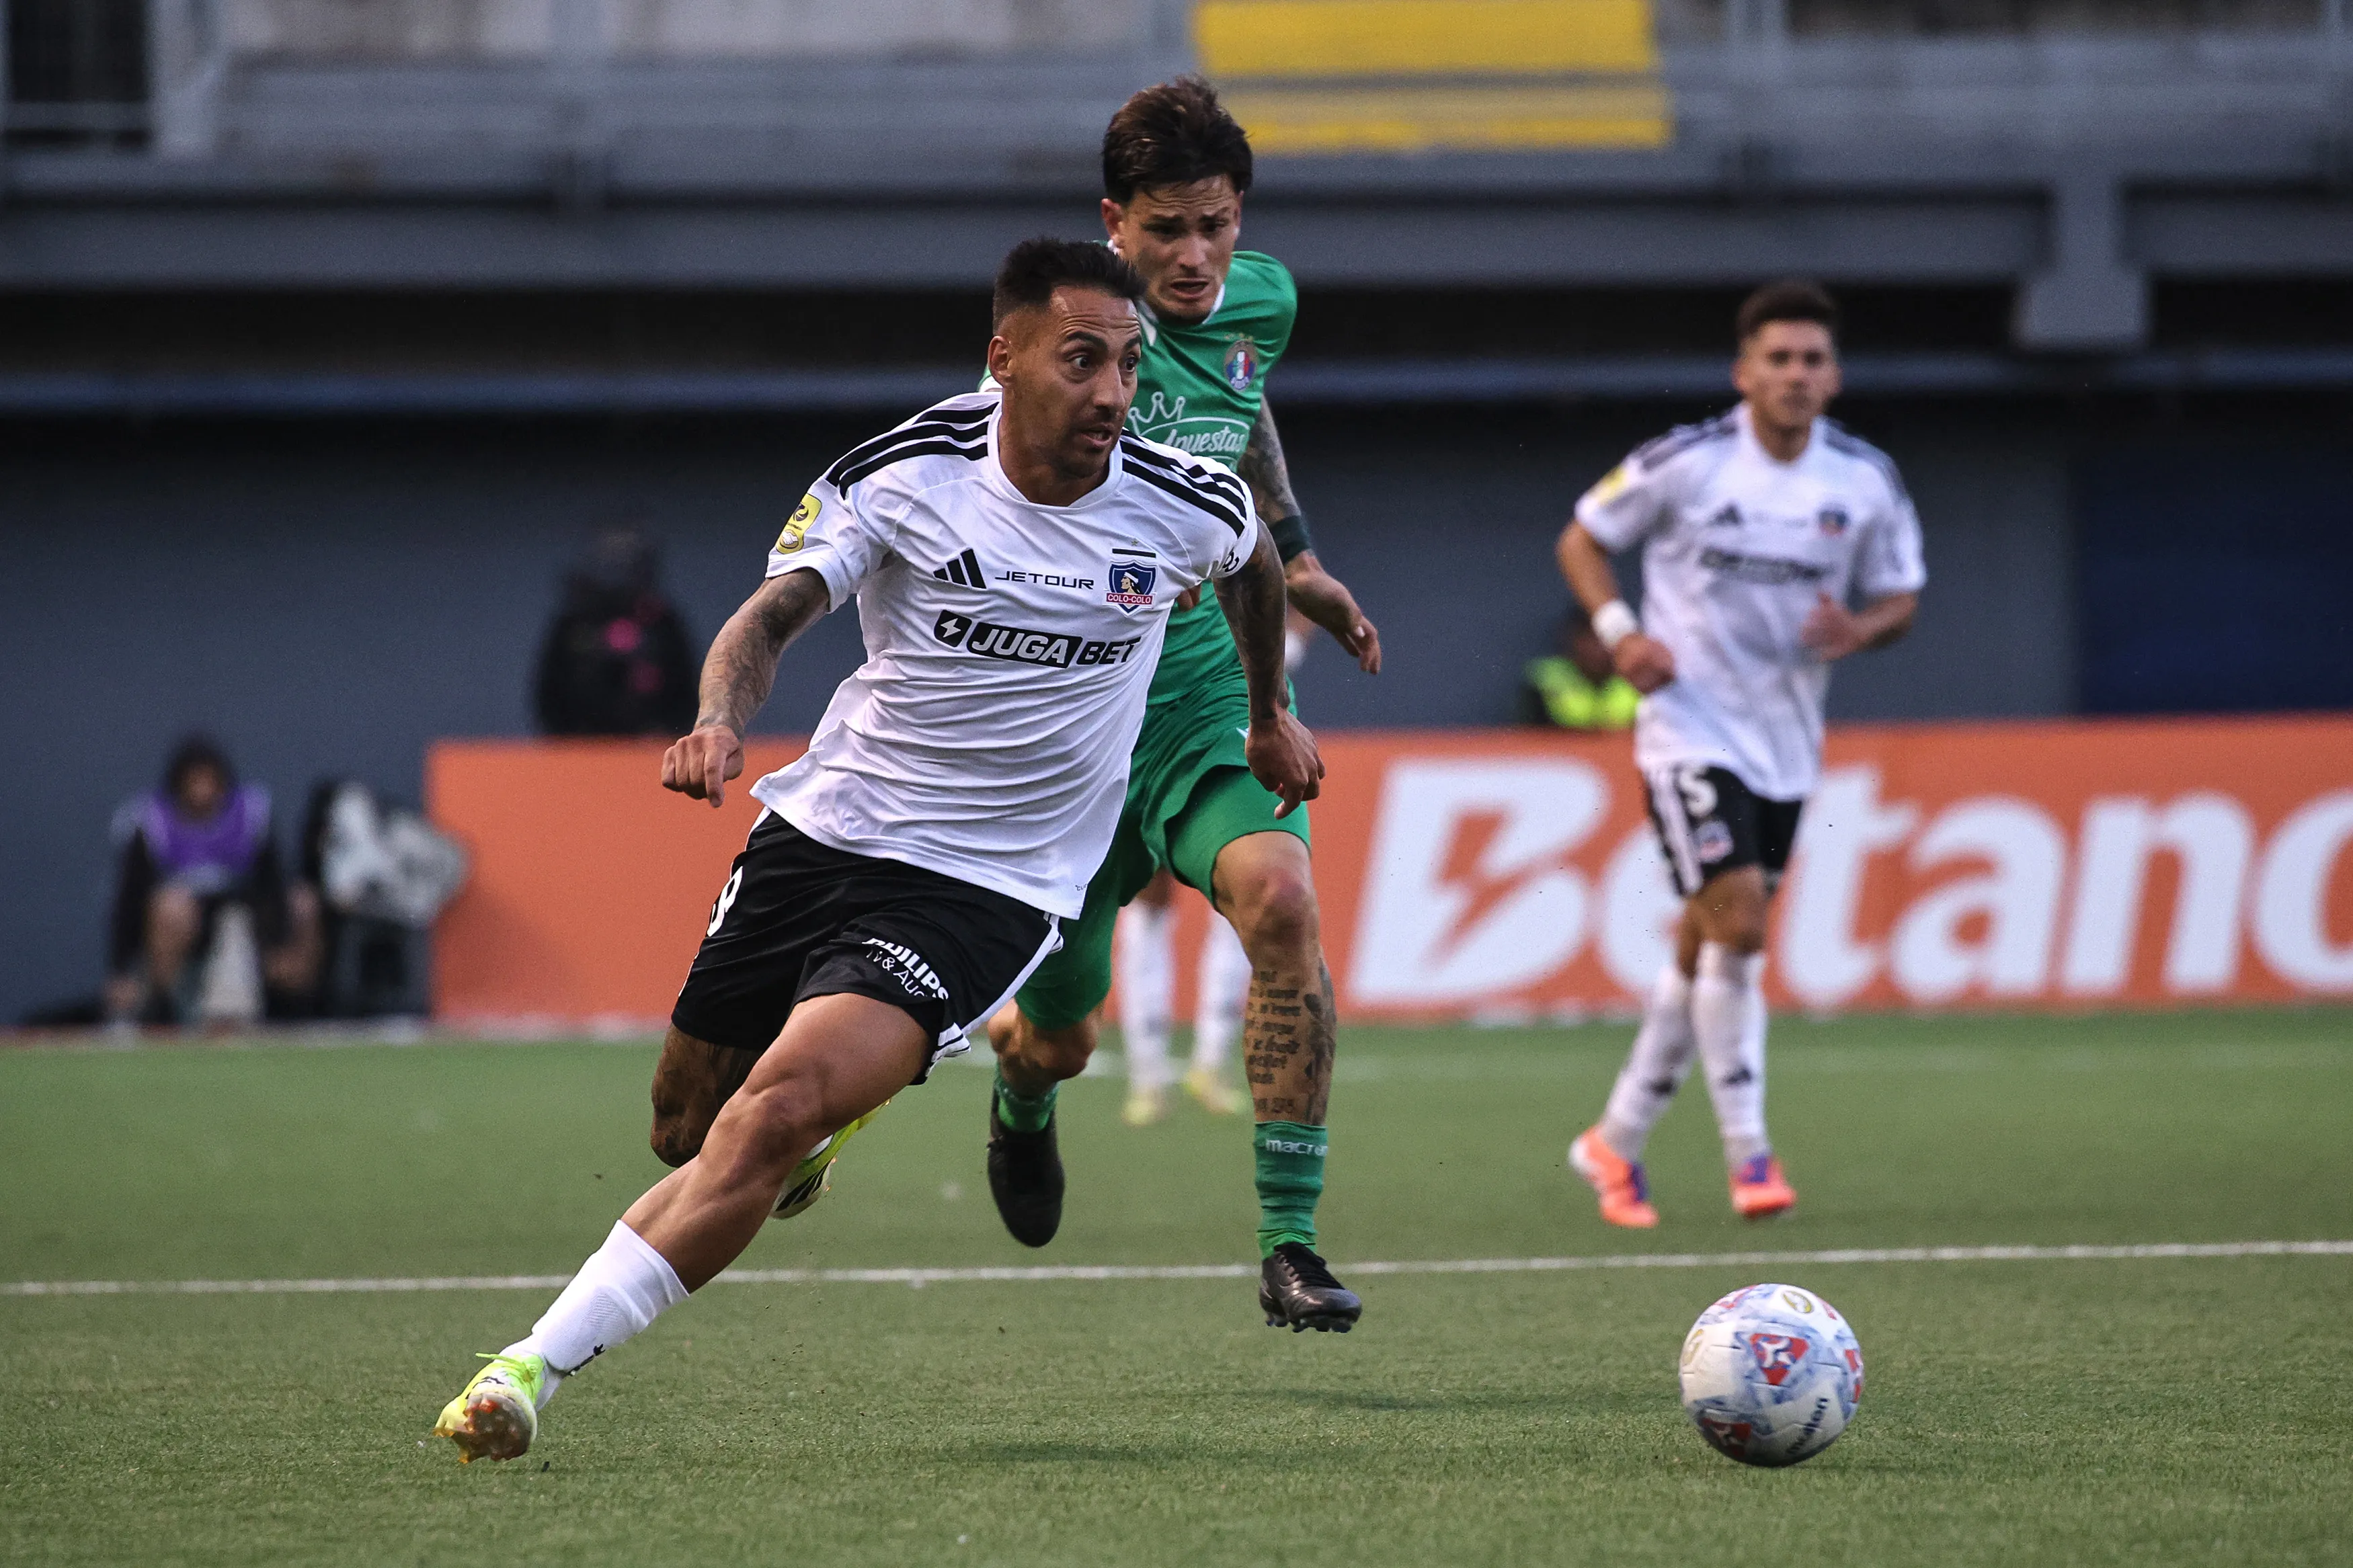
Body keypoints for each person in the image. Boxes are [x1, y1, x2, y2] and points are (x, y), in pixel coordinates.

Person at [432, 237, 1320, 1463]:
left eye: (1126, 363)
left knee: (772, 1112)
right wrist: (717, 722)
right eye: (1082, 360)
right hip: (826, 830)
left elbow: (1258, 565)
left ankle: (526, 1366)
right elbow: (773, 614)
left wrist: (1268, 715)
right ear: (1002, 359)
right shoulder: (906, 471)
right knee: (685, 1126)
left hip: (991, 884)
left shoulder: (1181, 498)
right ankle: (807, 1138)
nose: (1115, 391)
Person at [1556, 280, 1926, 1228]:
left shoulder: (1863, 481)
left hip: (1786, 745)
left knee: (1708, 934)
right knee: (1744, 925)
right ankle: (1749, 1153)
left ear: (1833, 376)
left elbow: (1902, 597)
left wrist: (1862, 628)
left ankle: (1616, 1138)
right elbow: (1584, 538)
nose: (1796, 375)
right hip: (1688, 727)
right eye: (1779, 359)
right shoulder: (1689, 463)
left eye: (1811, 360)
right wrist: (1619, 629)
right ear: (1745, 373)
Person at [105, 735, 321, 1025]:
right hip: (184, 929)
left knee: (303, 901)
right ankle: (159, 1012)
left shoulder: (252, 813)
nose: (203, 792)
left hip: (249, 920)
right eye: (194, 783)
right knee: (172, 907)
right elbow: (129, 899)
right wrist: (120, 969)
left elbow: (273, 882)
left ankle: (298, 1011)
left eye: (210, 782)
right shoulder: (152, 820)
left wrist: (278, 940)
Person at [532, 522, 700, 737]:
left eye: (627, 558)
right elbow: (549, 695)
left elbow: (685, 691)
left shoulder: (662, 622)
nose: (617, 569)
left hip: (650, 746)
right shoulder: (574, 622)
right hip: (582, 744)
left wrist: (668, 732)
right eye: (610, 557)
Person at [1522, 602, 1640, 731]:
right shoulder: (1544, 681)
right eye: (1587, 638)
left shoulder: (1638, 677)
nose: (1596, 649)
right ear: (1572, 640)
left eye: (1600, 638)